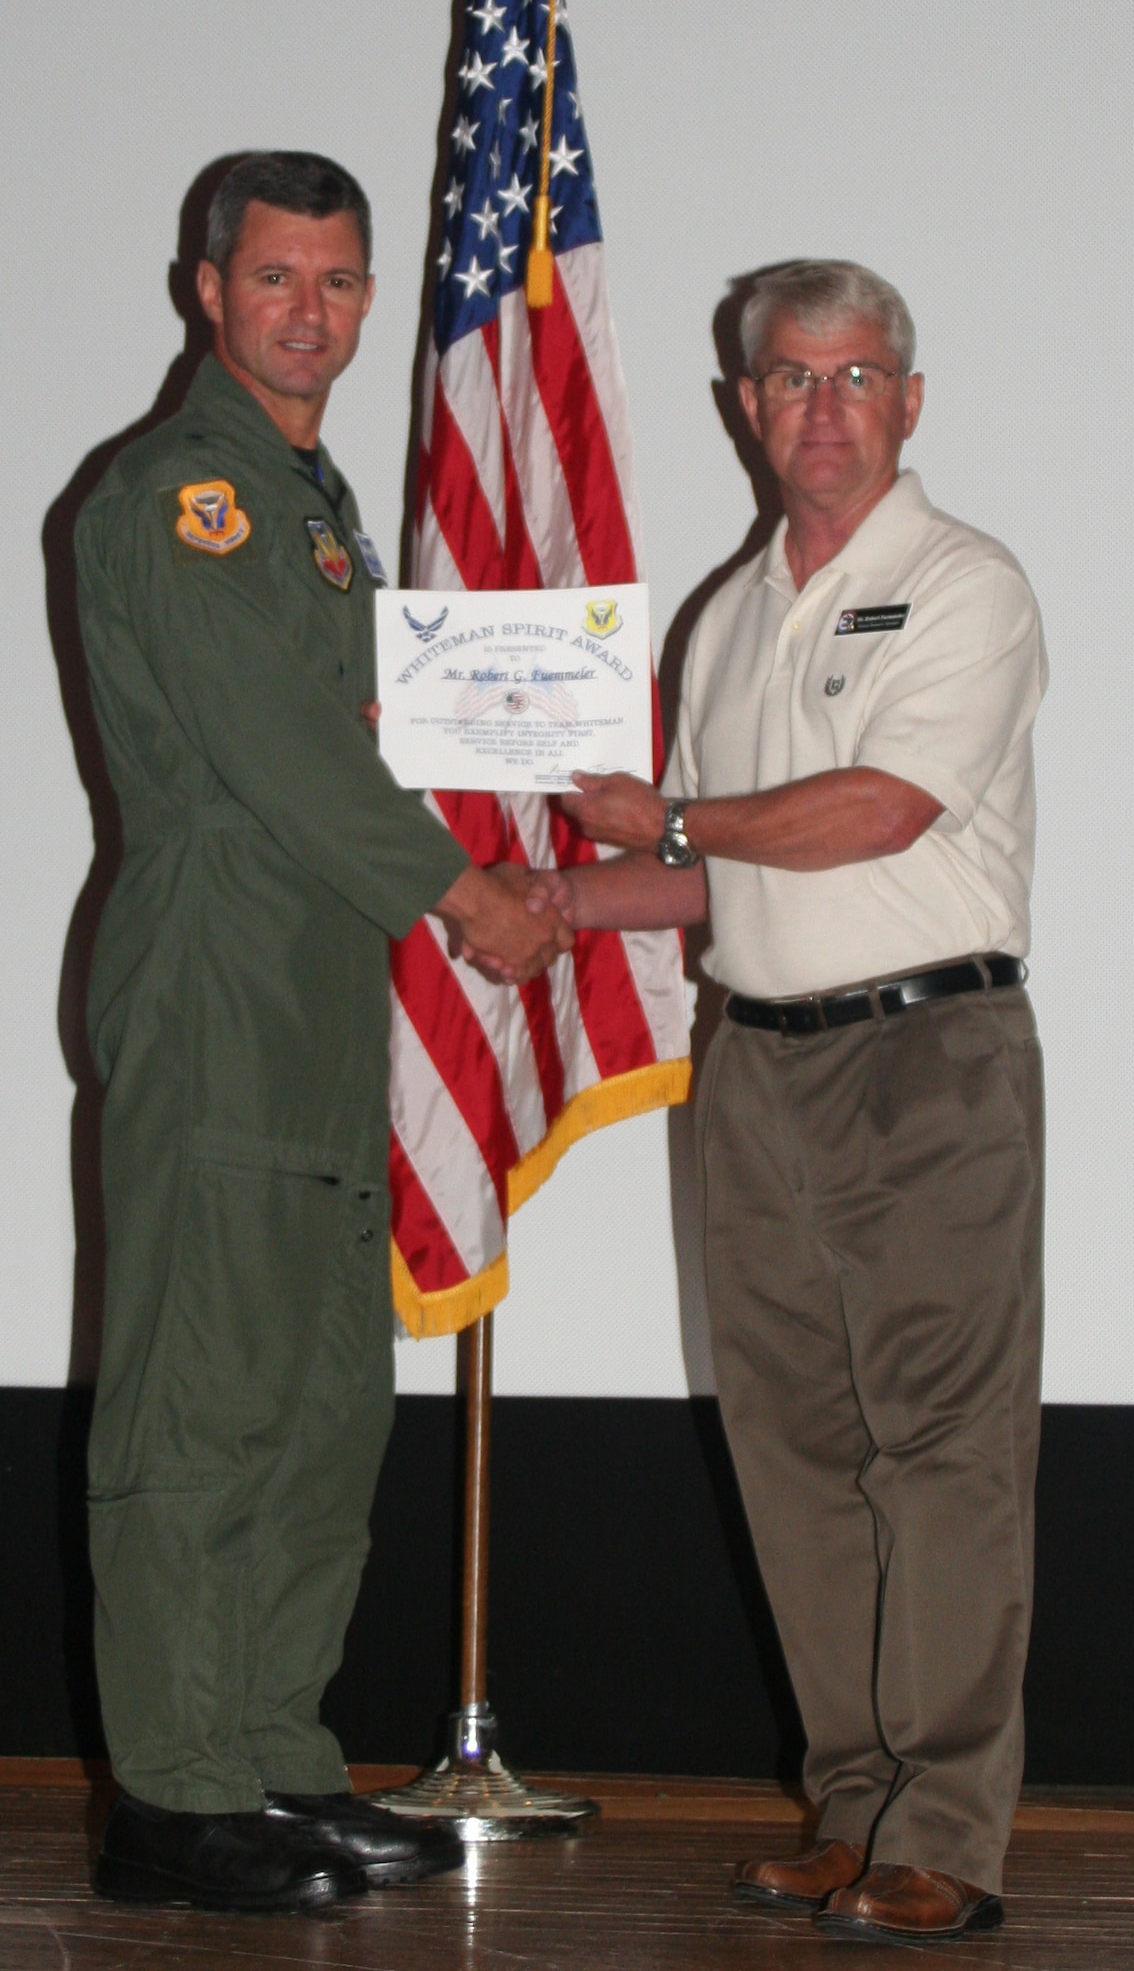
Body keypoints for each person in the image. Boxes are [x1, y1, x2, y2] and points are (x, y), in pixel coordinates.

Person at [522, 261, 1046, 1946]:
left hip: (927, 1067)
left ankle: (947, 1828)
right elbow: (702, 884)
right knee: (799, 1455)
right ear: (744, 409)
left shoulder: (966, 585)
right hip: (752, 1064)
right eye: (791, 378)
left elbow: (880, 813)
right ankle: (851, 1808)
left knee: (943, 1456)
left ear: (908, 401)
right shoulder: (725, 614)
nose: (823, 407)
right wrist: (521, 906)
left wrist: (667, 821)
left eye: (857, 375)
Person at [75, 150, 571, 1914]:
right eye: (276, 277)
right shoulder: (183, 500)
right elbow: (282, 757)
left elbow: (381, 713)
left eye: (341, 282)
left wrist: (553, 762)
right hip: (220, 993)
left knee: (313, 1413)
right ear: (207, 289)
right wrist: (469, 892)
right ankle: (174, 1795)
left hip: (312, 999)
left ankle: (269, 1753)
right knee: (200, 1409)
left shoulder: (316, 503)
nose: (313, 311)